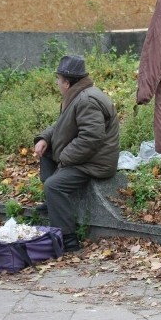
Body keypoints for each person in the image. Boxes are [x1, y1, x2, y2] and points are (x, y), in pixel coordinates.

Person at [33, 55, 120, 252]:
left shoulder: (86, 100)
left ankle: (68, 238)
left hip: (94, 163)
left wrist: (64, 158)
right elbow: (62, 125)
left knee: (54, 185)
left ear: (67, 82)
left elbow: (91, 138)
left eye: (58, 79)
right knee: (46, 154)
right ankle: (53, 204)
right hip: (85, 158)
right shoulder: (77, 95)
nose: (57, 83)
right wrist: (44, 139)